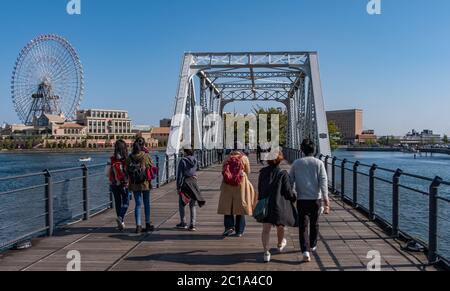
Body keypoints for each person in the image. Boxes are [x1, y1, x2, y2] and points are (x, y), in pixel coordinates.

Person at [289, 139, 331, 263]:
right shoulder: (319, 163)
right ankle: (312, 245)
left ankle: (305, 250)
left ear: (302, 150)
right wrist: (326, 200)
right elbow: (323, 182)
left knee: (303, 226)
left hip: (302, 199)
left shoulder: (296, 163)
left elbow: (290, 180)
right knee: (315, 223)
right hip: (316, 200)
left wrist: (291, 195)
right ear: (314, 150)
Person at [257, 151, 297, 263]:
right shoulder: (283, 173)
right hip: (279, 204)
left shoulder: (263, 172)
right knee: (280, 226)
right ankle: (279, 245)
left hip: (266, 203)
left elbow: (260, 188)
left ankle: (266, 252)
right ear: (280, 160)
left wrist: (260, 200)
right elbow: (288, 191)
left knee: (266, 229)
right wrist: (294, 198)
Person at [218, 150, 257, 237]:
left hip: (227, 185)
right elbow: (248, 171)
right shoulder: (244, 158)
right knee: (240, 207)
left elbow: (223, 171)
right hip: (240, 184)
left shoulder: (227, 158)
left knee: (228, 207)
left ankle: (229, 227)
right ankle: (239, 231)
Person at [127, 139, 155, 234]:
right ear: (142, 146)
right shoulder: (145, 156)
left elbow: (126, 169)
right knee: (146, 203)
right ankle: (147, 224)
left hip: (134, 183)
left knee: (138, 204)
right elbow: (151, 166)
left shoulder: (129, 157)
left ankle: (138, 226)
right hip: (145, 183)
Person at [176, 149, 206, 231]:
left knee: (182, 203)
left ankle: (183, 223)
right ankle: (193, 224)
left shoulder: (183, 160)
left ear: (185, 152)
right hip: (194, 182)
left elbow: (180, 174)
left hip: (185, 183)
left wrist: (178, 186)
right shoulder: (195, 159)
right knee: (192, 204)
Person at [107, 140, 129, 231]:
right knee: (126, 202)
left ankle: (121, 222)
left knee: (118, 202)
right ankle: (120, 217)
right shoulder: (127, 159)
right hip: (124, 183)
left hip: (114, 183)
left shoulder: (111, 159)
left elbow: (106, 173)